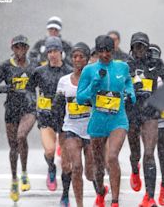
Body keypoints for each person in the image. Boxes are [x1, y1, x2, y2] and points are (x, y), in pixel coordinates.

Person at [77, 35, 136, 207]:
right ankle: (101, 191)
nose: (105, 54)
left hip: (118, 119)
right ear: (96, 51)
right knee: (98, 162)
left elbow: (128, 82)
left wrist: (130, 92)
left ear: (113, 51)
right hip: (98, 121)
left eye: (108, 51)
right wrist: (94, 84)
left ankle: (115, 201)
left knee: (112, 157)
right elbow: (80, 98)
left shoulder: (122, 67)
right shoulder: (89, 70)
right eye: (101, 51)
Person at [126, 33, 164, 207]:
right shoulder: (126, 65)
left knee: (149, 154)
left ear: (147, 48)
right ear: (131, 48)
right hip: (132, 113)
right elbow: (118, 85)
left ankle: (149, 197)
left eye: (143, 46)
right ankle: (134, 169)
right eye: (136, 46)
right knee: (136, 153)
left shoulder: (155, 63)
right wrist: (130, 88)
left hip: (151, 113)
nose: (140, 50)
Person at [0, 35, 36, 202]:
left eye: (23, 47)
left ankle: (24, 173)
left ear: (27, 48)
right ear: (12, 49)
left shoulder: (33, 65)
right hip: (11, 110)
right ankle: (14, 180)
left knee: (21, 136)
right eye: (17, 47)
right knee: (13, 146)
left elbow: (43, 83)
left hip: (29, 109)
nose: (20, 50)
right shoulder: (5, 66)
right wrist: (9, 88)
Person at [25, 36, 73, 192]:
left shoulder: (69, 71)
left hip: (66, 119)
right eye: (49, 51)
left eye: (55, 51)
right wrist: (34, 102)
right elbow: (29, 89)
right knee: (50, 150)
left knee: (66, 162)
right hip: (46, 117)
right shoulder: (39, 72)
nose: (52, 54)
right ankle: (51, 167)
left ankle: (65, 194)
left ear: (61, 52)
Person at [53, 42, 95, 207]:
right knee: (76, 167)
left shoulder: (94, 79)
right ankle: (79, 204)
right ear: (71, 59)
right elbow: (57, 106)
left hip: (91, 130)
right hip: (71, 129)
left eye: (81, 57)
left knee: (90, 173)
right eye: (74, 56)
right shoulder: (63, 81)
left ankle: (99, 189)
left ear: (87, 59)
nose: (77, 60)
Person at [151, 44, 164, 206]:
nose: (153, 57)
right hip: (146, 120)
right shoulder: (141, 72)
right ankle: (149, 193)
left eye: (155, 54)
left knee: (162, 152)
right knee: (148, 154)